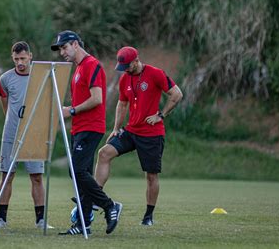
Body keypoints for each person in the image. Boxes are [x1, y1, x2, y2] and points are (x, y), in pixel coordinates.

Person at [95, 46, 183, 226]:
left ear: (136, 60)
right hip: (130, 131)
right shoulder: (125, 78)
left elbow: (177, 94)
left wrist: (161, 115)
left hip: (151, 134)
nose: (125, 69)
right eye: (123, 67)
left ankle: (148, 216)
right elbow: (122, 104)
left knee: (151, 175)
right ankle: (95, 198)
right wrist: (116, 128)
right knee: (104, 153)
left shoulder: (156, 74)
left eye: (128, 65)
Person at [51, 30, 122, 236]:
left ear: (75, 44)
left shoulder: (92, 65)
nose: (62, 52)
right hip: (79, 127)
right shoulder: (79, 68)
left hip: (91, 127)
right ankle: (83, 224)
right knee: (83, 174)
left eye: (64, 47)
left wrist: (71, 110)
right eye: (60, 49)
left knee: (77, 171)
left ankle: (110, 206)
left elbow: (97, 98)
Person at [0, 41, 52, 230]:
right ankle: (1, 219)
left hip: (34, 134)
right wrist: (13, 122)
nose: (20, 62)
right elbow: (5, 103)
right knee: (6, 176)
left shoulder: (42, 77)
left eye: (23, 58)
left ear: (30, 56)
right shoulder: (5, 79)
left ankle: (41, 220)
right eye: (16, 59)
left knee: (37, 177)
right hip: (11, 134)